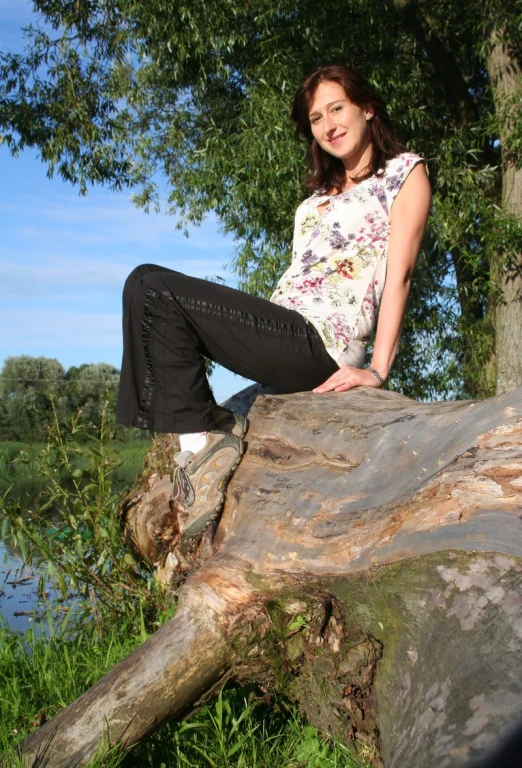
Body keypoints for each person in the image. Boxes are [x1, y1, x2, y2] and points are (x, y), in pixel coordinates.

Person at [116, 64, 431, 537]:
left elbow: (401, 274)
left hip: (325, 342)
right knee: (154, 301)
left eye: (337, 108)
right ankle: (197, 448)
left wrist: (379, 371)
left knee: (151, 286)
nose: (329, 125)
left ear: (367, 108)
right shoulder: (314, 202)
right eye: (317, 119)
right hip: (285, 335)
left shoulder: (405, 173)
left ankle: (199, 455)